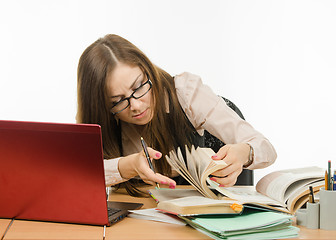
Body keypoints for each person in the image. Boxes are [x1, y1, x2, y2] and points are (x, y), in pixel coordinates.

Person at [76, 34, 277, 196]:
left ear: (148, 69)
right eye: (118, 101)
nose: (135, 106)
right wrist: (128, 166)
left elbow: (266, 148)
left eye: (139, 87)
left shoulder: (186, 93)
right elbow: (76, 174)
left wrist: (245, 153)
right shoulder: (102, 121)